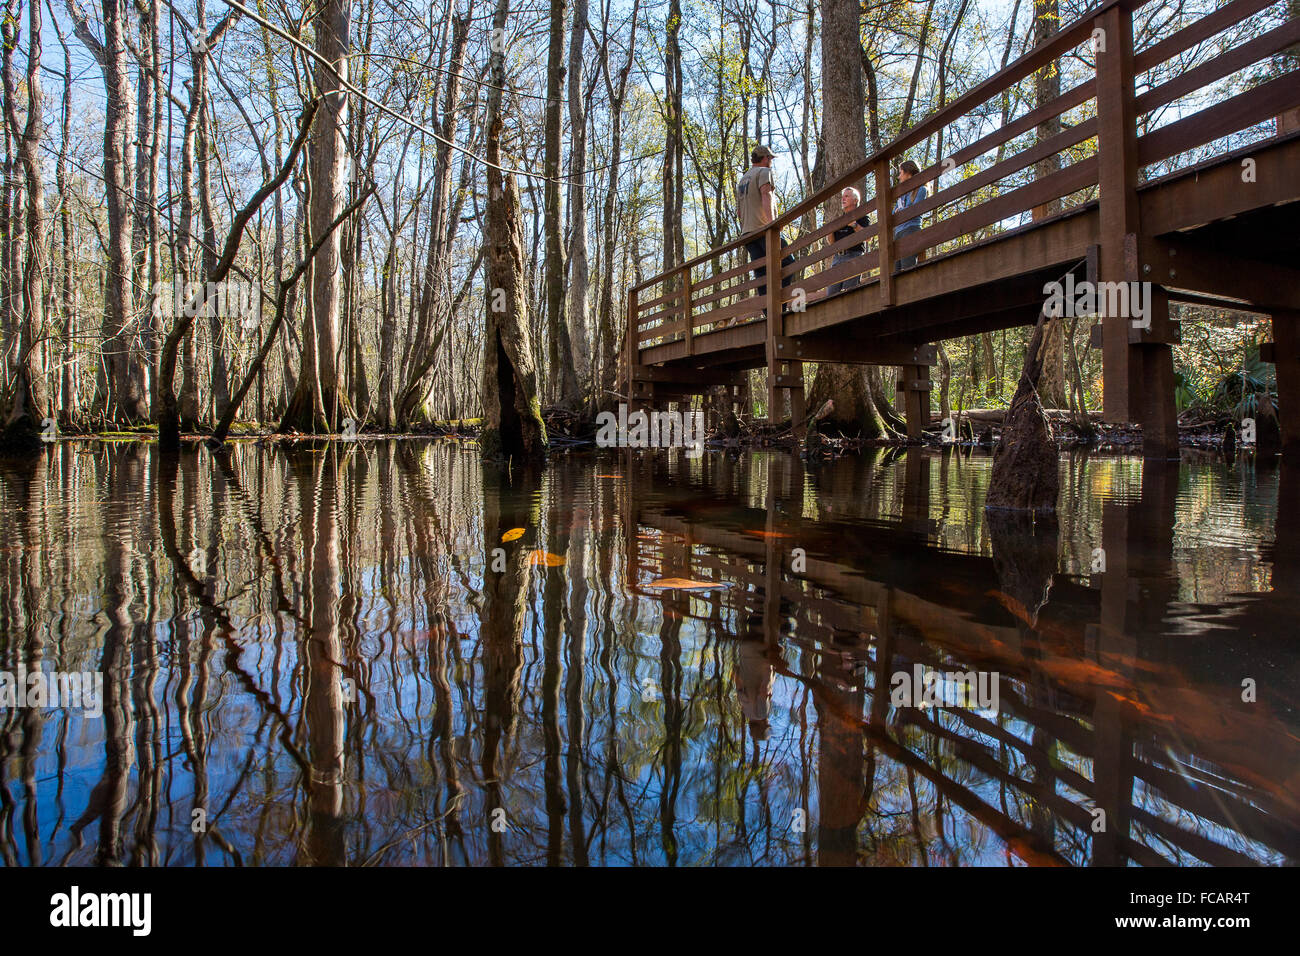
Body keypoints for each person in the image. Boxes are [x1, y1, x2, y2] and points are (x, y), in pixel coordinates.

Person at [736, 145, 796, 308]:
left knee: (762, 275)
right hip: (764, 230)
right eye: (770, 159)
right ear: (765, 159)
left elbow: (739, 213)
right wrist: (772, 226)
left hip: (747, 234)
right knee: (788, 264)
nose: (771, 162)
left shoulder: (742, 180)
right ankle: (779, 309)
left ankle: (770, 314)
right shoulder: (764, 173)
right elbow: (766, 195)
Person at [828, 186, 872, 296]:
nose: (843, 199)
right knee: (831, 294)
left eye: (846, 196)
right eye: (842, 197)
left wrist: (855, 225)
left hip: (853, 256)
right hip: (838, 258)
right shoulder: (839, 220)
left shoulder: (862, 217)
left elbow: (868, 237)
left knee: (849, 293)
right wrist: (830, 232)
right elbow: (832, 242)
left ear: (855, 200)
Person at [892, 159, 927, 271]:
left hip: (910, 229)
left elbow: (915, 209)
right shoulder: (901, 195)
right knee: (896, 271)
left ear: (908, 172)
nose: (899, 177)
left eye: (900, 172)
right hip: (898, 233)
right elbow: (893, 213)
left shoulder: (921, 189)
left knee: (907, 268)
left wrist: (900, 211)